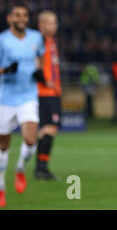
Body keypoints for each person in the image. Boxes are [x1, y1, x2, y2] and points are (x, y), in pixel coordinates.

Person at [0, 4, 46, 207]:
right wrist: (6, 70)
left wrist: (39, 73)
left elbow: (39, 60)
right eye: (17, 15)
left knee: (30, 139)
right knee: (3, 146)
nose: (22, 18)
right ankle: (1, 187)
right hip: (6, 98)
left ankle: (20, 168)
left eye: (25, 15)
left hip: (28, 96)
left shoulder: (36, 37)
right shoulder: (2, 40)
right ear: (10, 18)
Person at [35, 10, 62, 180]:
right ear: (42, 25)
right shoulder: (39, 41)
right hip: (45, 93)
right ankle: (41, 168)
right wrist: (46, 82)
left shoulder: (51, 41)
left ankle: (41, 167)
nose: (55, 26)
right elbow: (35, 65)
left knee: (49, 129)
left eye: (55, 22)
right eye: (51, 22)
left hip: (53, 92)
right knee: (48, 128)